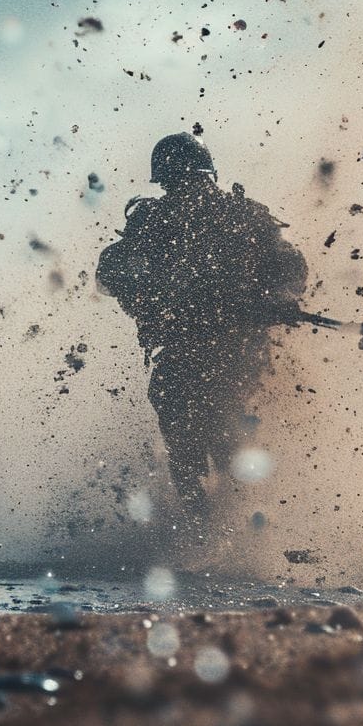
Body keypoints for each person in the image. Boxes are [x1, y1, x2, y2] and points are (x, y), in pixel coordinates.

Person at [96, 132, 308, 531]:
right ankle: (202, 527)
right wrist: (147, 288)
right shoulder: (153, 222)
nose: (188, 190)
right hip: (184, 347)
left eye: (189, 181)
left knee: (224, 428)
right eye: (180, 183)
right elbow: (108, 275)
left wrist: (278, 297)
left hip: (238, 344)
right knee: (180, 431)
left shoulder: (243, 215)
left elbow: (291, 266)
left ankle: (239, 523)